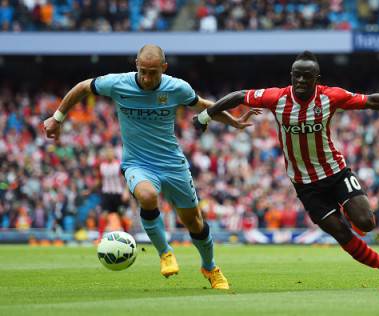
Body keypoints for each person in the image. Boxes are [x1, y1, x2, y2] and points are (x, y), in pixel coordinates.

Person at [193, 50, 379, 291]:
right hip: (305, 185)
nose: (301, 80)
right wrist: (205, 116)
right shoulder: (277, 98)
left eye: (307, 76)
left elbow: (371, 101)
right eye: (296, 76)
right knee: (341, 233)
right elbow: (239, 95)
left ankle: (350, 211)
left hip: (336, 172)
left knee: (366, 223)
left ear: (317, 79)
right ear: (291, 77)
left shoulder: (331, 96)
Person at [44, 44, 259, 290]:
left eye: (153, 72)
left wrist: (233, 121)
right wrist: (57, 118)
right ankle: (165, 253)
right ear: (136, 64)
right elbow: (83, 87)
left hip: (172, 164)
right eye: (143, 71)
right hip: (137, 163)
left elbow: (201, 105)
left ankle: (210, 267)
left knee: (194, 223)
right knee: (147, 195)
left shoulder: (177, 88)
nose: (147, 78)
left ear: (164, 68)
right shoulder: (117, 83)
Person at [97, 147, 130, 240]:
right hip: (107, 194)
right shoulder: (102, 166)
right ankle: (99, 237)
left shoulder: (119, 165)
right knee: (104, 214)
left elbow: (126, 178)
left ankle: (127, 235)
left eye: (110, 153)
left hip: (118, 194)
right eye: (107, 153)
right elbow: (99, 180)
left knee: (122, 215)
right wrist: (90, 190)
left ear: (113, 154)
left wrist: (126, 191)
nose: (108, 155)